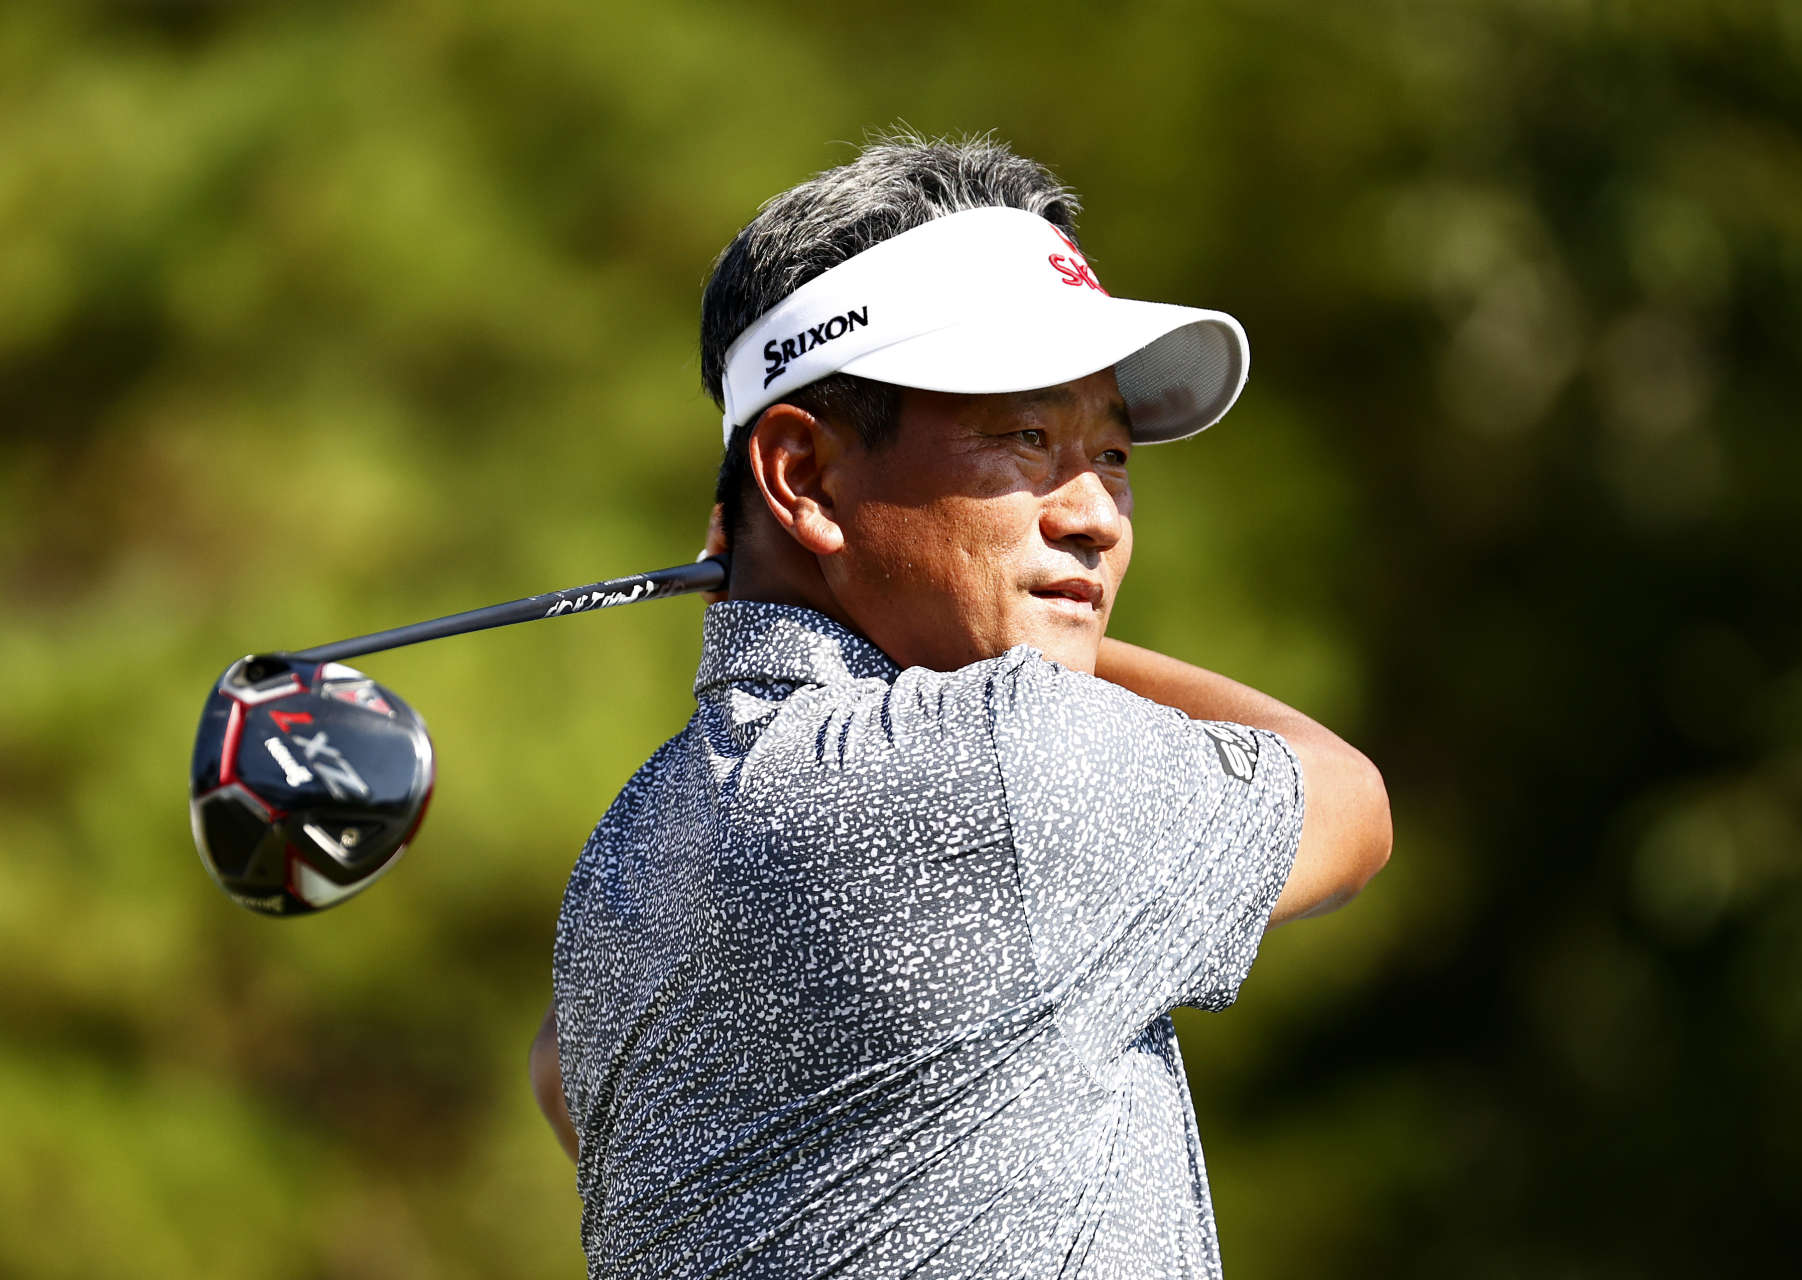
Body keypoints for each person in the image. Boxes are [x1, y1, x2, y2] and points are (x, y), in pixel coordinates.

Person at [530, 134, 1392, 1278]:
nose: (1097, 517)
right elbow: (1349, 800)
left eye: (1113, 454)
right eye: (1026, 437)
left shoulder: (630, 847)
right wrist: (1059, 649)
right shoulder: (1005, 763)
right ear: (804, 475)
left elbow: (560, 1074)